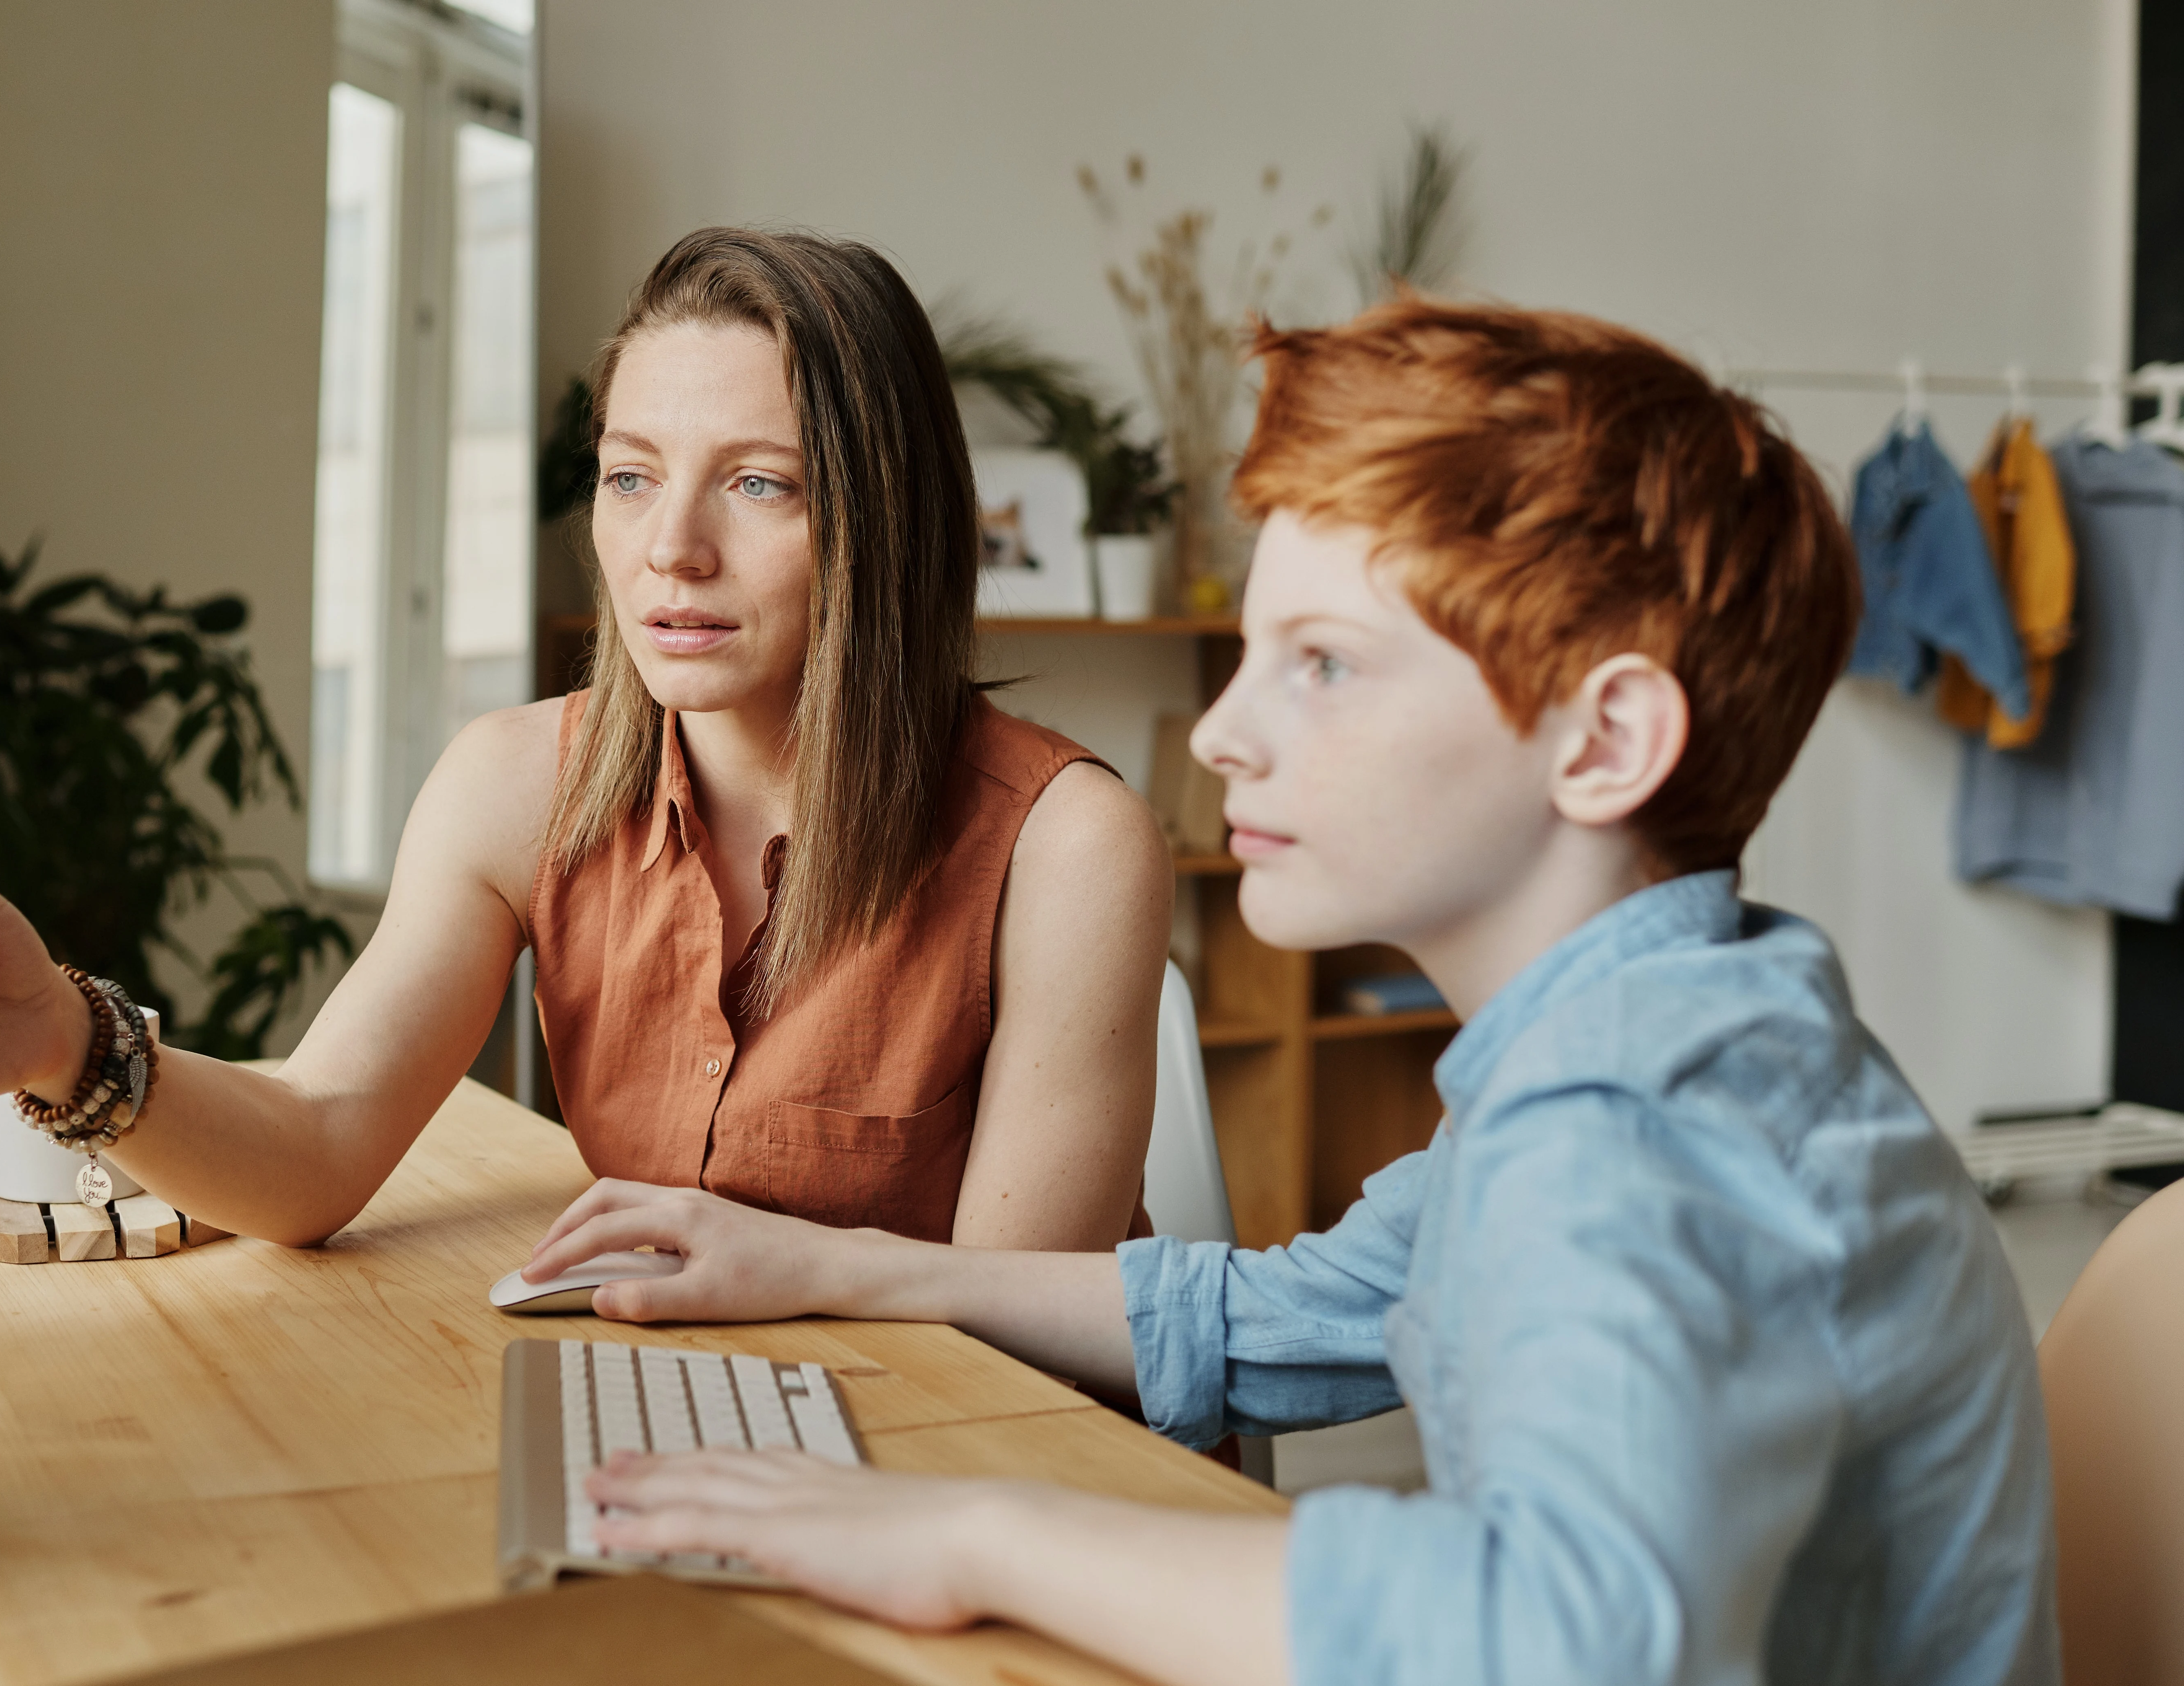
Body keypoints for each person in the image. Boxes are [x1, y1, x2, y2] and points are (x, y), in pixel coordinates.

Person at [519, 299, 2058, 1686]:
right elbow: (1283, 1310)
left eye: (1322, 664)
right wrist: (832, 1262)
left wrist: (976, 1534)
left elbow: (1559, 1637)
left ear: (1604, 744)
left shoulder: (1640, 1123)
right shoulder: (1678, 1031)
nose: (1222, 737)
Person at [0, 226, 1172, 1252]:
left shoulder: (1068, 847)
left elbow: (1014, 1342)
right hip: (701, 1430)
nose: (670, 550)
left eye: (760, 484)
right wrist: (65, 1037)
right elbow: (317, 1144)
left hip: (977, 1478)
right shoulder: (519, 783)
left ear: (890, 524)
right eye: (632, 475)